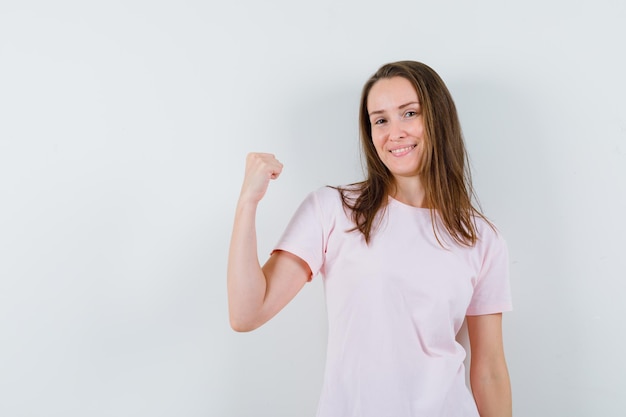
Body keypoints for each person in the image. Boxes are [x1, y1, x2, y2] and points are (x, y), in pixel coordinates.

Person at [227, 61, 512, 417]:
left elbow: (490, 371)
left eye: (409, 113)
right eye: (380, 119)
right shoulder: (334, 209)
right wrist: (247, 203)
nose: (394, 132)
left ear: (439, 119)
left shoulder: (480, 237)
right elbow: (246, 313)